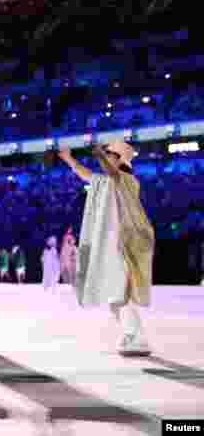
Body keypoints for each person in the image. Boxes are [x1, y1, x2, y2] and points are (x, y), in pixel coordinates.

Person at [59, 143, 154, 356]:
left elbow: (113, 174)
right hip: (112, 247)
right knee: (114, 298)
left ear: (120, 158)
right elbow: (89, 176)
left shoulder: (127, 180)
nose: (107, 158)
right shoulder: (106, 182)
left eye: (110, 154)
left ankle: (136, 336)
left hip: (125, 245)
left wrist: (100, 156)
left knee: (121, 294)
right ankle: (132, 335)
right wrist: (69, 160)